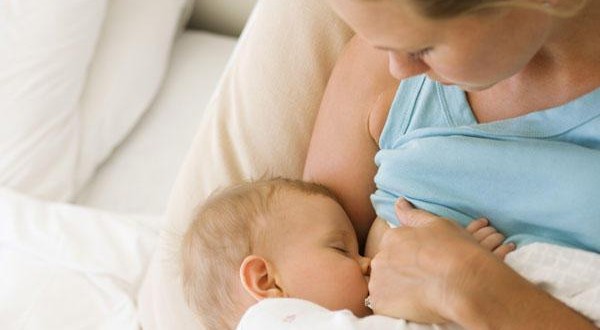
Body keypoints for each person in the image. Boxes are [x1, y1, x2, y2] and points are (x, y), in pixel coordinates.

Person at [303, 0, 600, 328]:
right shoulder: (378, 75)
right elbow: (291, 284)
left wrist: (465, 285)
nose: (398, 70)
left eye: (423, 48)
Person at [180, 178, 513, 330]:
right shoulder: (273, 322)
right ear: (266, 281)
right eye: (340, 249)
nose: (367, 262)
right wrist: (452, 272)